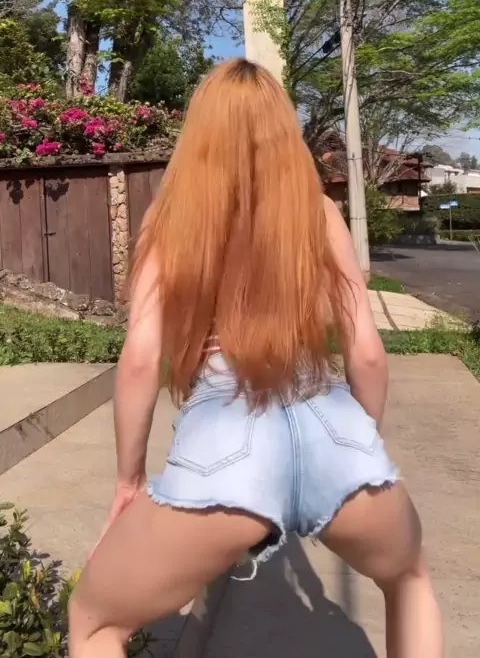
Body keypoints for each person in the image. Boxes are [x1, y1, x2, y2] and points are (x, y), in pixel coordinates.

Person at [69, 59, 443, 658]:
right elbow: (368, 356)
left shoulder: (169, 220)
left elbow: (140, 359)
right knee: (410, 580)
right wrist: (359, 447)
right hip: (333, 425)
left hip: (225, 444)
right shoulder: (319, 213)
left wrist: (128, 481)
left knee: (93, 621)